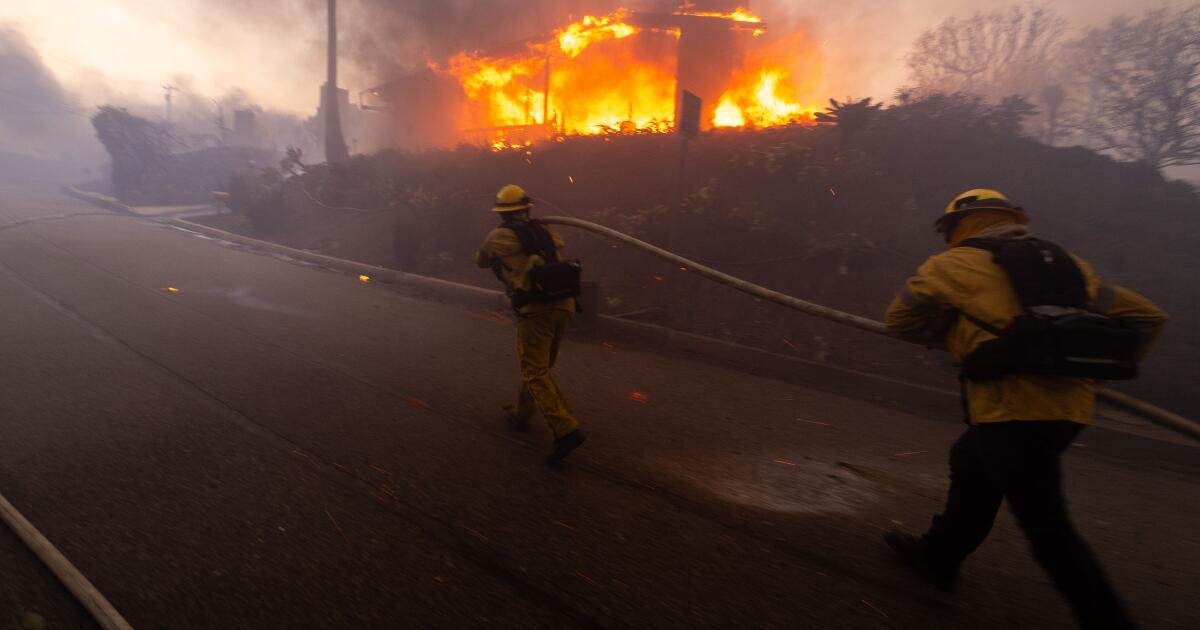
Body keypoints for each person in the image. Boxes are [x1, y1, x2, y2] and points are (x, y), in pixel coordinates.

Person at [882, 189, 1167, 629]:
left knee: (1047, 528)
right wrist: (1096, 372)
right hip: (1066, 411)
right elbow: (1148, 317)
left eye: (949, 229)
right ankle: (937, 556)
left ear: (959, 225)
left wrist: (948, 329)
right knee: (971, 460)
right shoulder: (1068, 265)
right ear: (1011, 219)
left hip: (1008, 410)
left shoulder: (950, 266)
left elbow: (898, 321)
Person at [475, 184, 586, 465]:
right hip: (564, 306)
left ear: (502, 214)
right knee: (540, 366)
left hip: (535, 310)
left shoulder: (498, 236)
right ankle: (522, 413)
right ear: (527, 209)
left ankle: (565, 429)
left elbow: (481, 261)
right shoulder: (548, 231)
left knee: (534, 370)